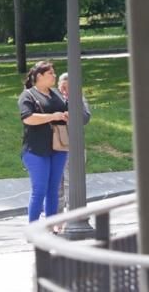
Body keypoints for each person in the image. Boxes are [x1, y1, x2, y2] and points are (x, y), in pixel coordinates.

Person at [18, 61, 69, 223]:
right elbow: (28, 118)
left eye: (54, 73)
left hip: (58, 146)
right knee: (39, 189)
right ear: (39, 76)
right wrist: (53, 116)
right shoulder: (28, 95)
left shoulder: (57, 94)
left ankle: (51, 224)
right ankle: (33, 227)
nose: (54, 76)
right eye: (50, 73)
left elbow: (66, 111)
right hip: (36, 149)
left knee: (53, 189)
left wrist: (66, 115)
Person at [56, 72, 91, 213]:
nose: (65, 91)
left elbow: (85, 118)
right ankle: (56, 220)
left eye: (68, 87)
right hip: (56, 147)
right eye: (62, 87)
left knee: (73, 185)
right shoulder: (52, 98)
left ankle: (74, 218)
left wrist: (71, 104)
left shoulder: (78, 99)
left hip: (74, 147)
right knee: (57, 186)